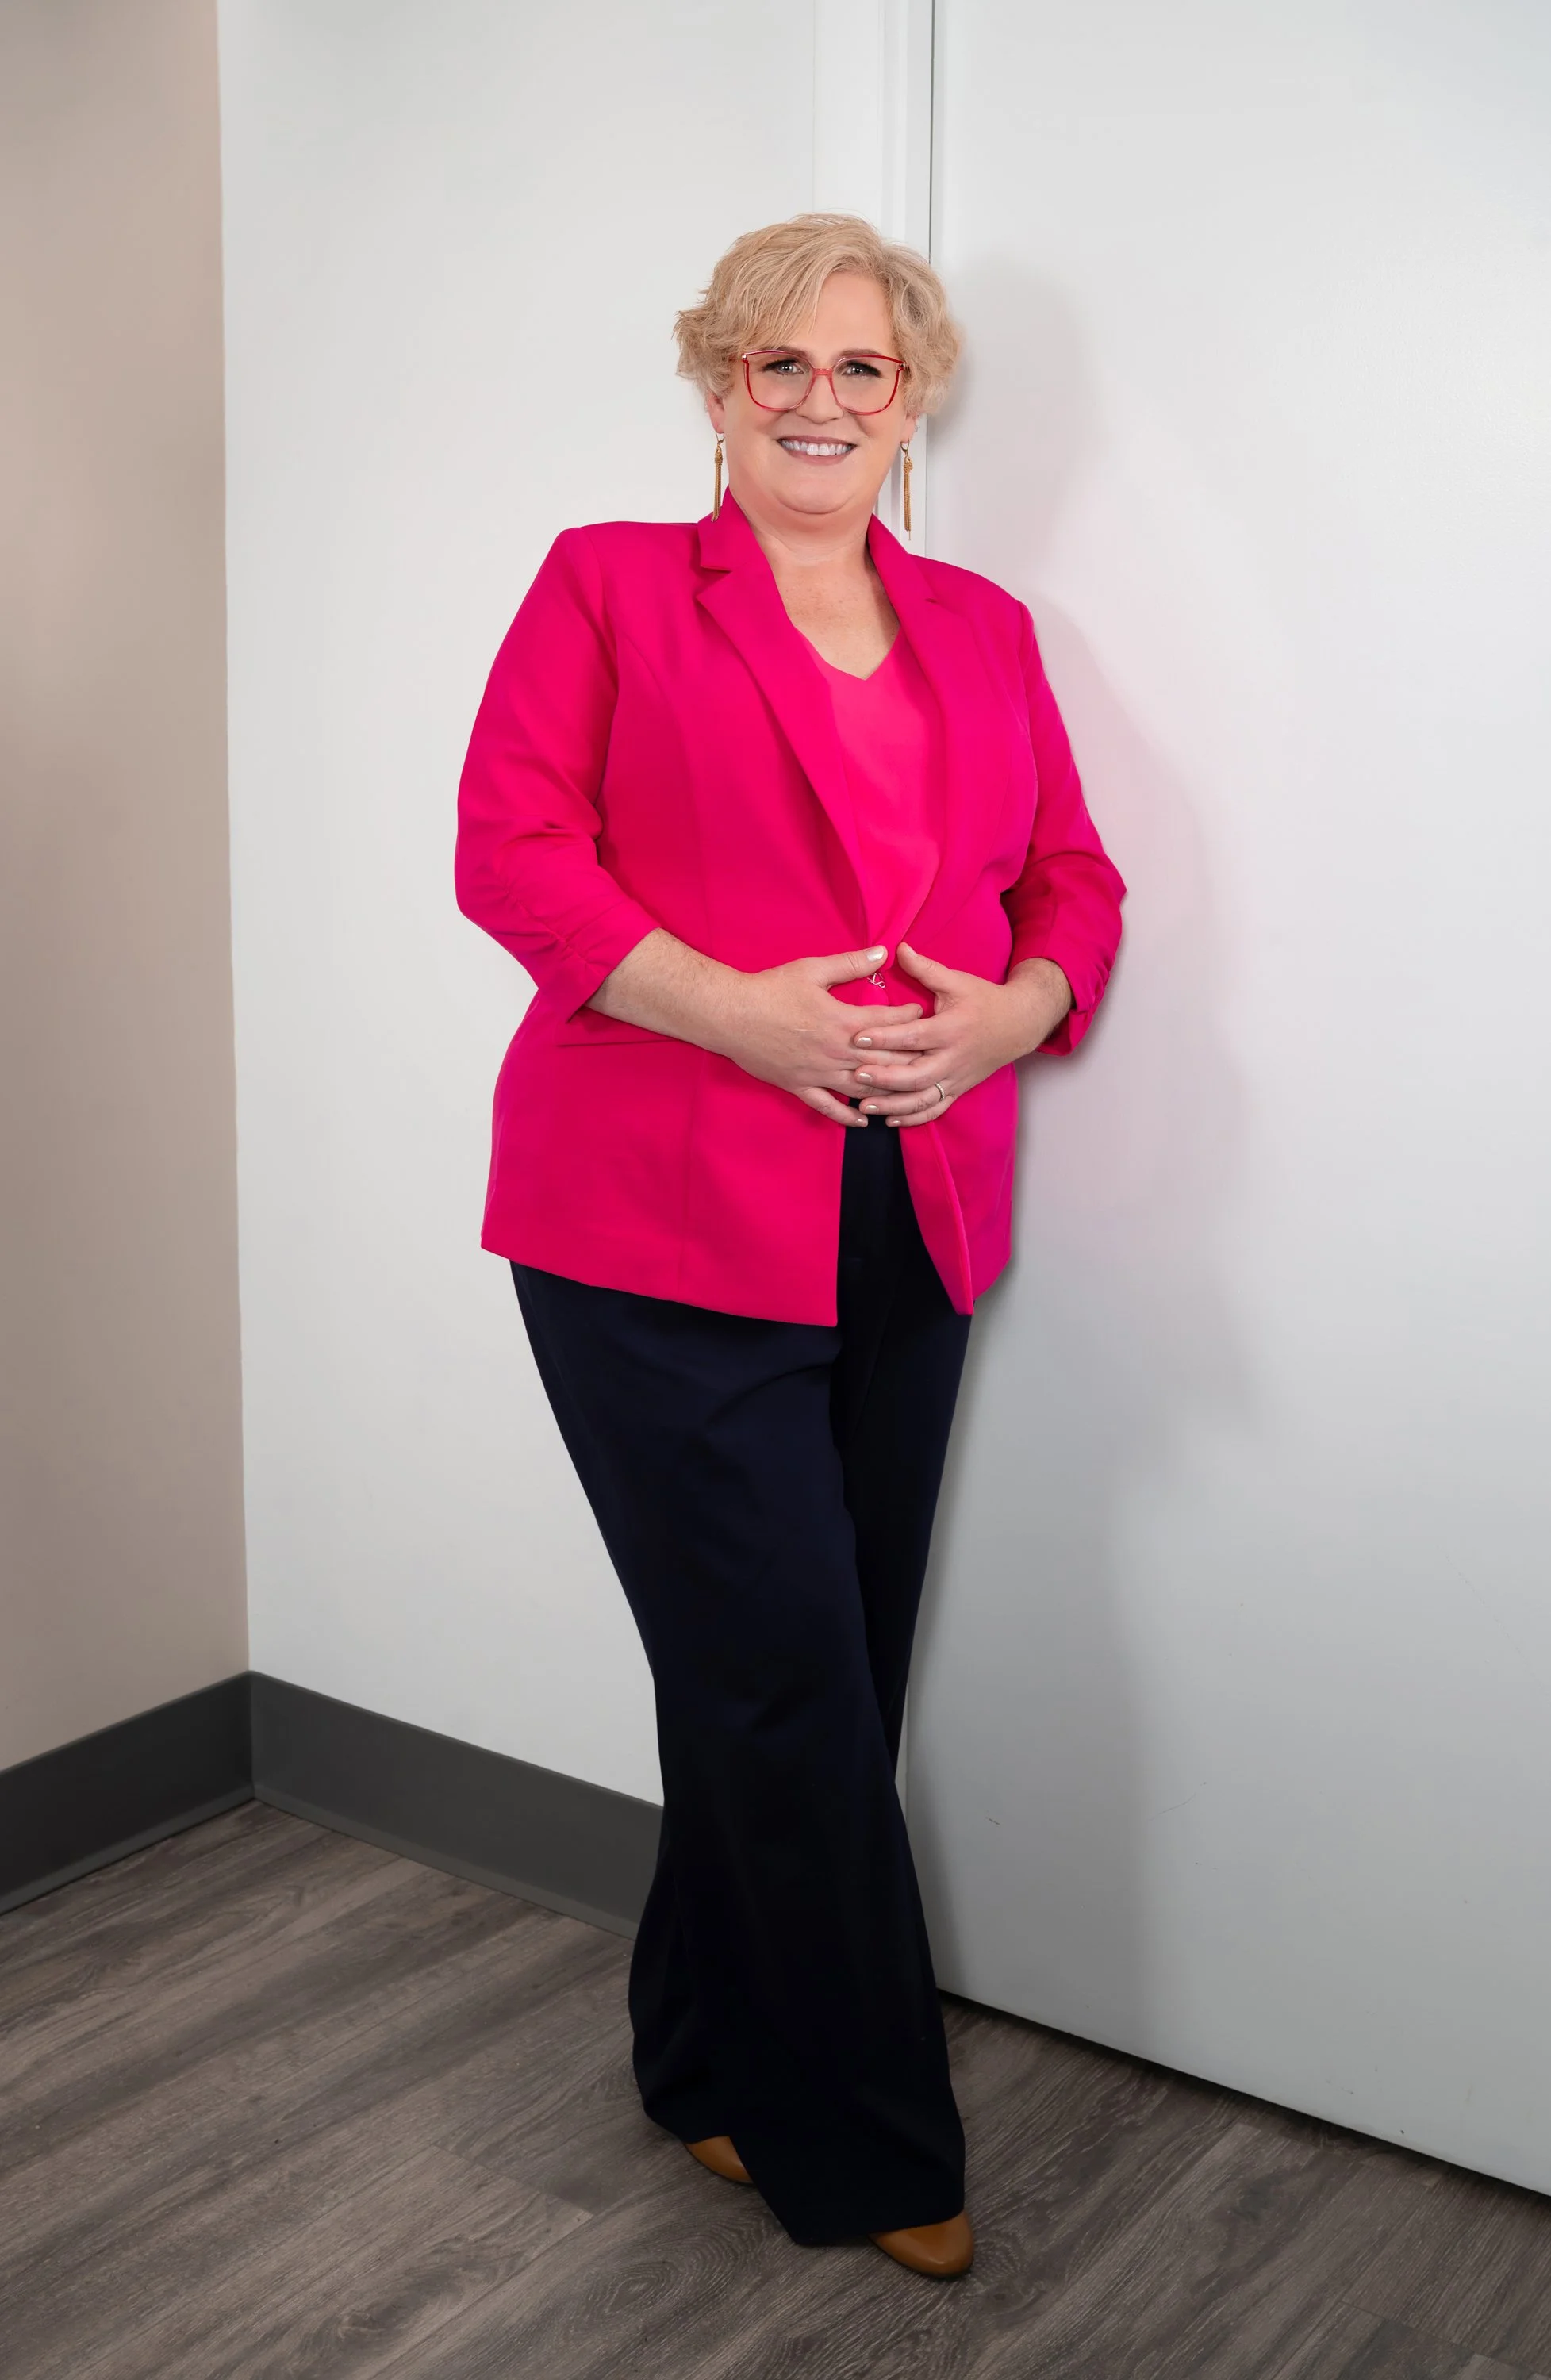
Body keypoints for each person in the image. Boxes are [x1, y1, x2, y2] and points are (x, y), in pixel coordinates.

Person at [455, 212, 1125, 2279]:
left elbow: (1069, 883)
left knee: (801, 1679)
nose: (822, 401)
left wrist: (1015, 1017)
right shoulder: (610, 583)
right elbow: (508, 847)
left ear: (909, 404)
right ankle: (859, 2144)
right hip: (649, 1215)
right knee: (782, 1689)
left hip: (909, 1211)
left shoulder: (989, 630)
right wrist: (736, 1007)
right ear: (718, 389)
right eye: (780, 366)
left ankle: (697, 2058)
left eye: (863, 370)